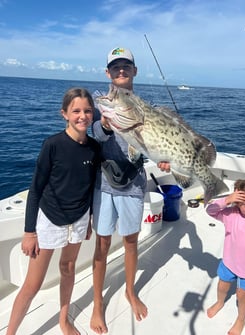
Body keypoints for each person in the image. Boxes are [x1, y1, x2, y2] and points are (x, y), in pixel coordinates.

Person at [6, 88, 100, 335]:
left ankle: (63, 319)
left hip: (79, 219)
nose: (83, 116)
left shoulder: (94, 148)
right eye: (76, 111)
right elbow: (35, 190)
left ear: (93, 114)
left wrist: (88, 219)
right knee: (33, 284)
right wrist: (29, 232)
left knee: (68, 268)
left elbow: (89, 187)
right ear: (65, 114)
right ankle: (10, 332)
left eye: (88, 110)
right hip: (49, 220)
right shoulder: (53, 145)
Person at [90, 47, 170, 334]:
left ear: (135, 70)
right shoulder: (104, 102)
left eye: (126, 66)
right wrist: (106, 124)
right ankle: (98, 302)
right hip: (104, 185)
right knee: (100, 246)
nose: (120, 70)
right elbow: (97, 134)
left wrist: (165, 157)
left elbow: (153, 146)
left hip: (133, 183)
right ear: (107, 72)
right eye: (115, 67)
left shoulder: (147, 108)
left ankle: (130, 291)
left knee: (131, 242)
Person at [206, 177, 245, 335]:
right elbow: (210, 210)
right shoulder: (231, 215)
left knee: (242, 295)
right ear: (237, 203)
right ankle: (220, 302)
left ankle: (241, 319)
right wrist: (227, 200)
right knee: (222, 285)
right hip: (229, 264)